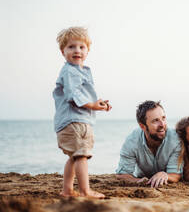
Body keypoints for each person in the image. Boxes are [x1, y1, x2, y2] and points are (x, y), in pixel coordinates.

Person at [53, 27, 112, 199]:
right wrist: (93, 105)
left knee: (75, 156)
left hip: (75, 120)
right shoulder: (70, 71)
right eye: (71, 47)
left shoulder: (79, 71)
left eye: (81, 47)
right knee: (82, 156)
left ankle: (67, 190)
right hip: (74, 121)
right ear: (63, 51)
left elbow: (82, 93)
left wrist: (96, 102)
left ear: (87, 51)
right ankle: (85, 191)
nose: (77, 50)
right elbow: (73, 95)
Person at [116, 100, 182, 188]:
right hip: (142, 179)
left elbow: (175, 175)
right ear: (142, 126)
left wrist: (165, 175)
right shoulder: (132, 141)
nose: (162, 124)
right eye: (155, 121)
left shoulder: (175, 139)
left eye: (163, 118)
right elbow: (122, 175)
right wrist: (138, 181)